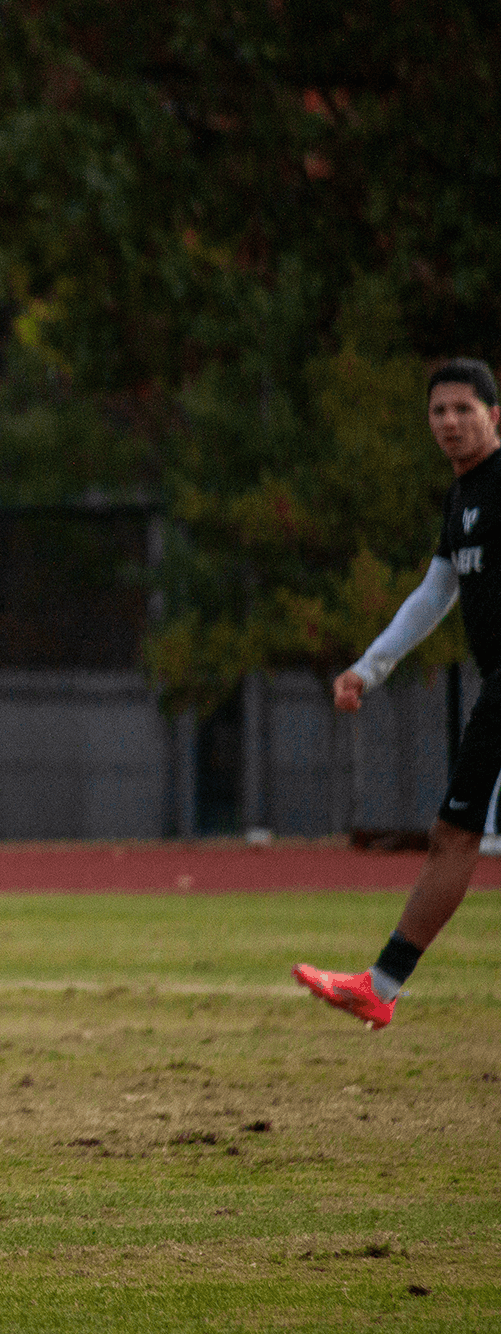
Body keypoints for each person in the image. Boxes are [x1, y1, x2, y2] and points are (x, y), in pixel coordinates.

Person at [296, 357, 501, 1030]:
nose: (449, 422)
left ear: (494, 416)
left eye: (463, 409)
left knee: (457, 834)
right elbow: (434, 595)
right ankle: (379, 987)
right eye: (439, 411)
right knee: (454, 834)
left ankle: (382, 984)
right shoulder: (462, 497)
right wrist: (368, 668)